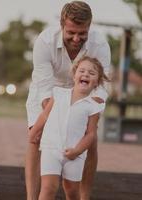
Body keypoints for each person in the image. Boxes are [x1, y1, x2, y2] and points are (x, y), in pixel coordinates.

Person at [25, 1, 111, 200]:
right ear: (62, 24)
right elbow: (44, 88)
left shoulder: (100, 44)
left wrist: (90, 111)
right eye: (71, 32)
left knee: (91, 140)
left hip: (85, 93)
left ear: (89, 26)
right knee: (36, 137)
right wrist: (53, 122)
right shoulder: (44, 41)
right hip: (49, 93)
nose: (76, 38)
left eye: (82, 33)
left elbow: (102, 85)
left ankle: (84, 197)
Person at [28, 56, 109, 200]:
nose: (85, 74)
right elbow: (45, 115)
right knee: (48, 187)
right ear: (74, 75)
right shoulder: (59, 94)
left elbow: (90, 134)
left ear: (97, 82)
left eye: (91, 73)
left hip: (74, 155)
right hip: (51, 148)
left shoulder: (93, 106)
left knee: (72, 191)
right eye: (82, 71)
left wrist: (77, 150)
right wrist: (34, 132)